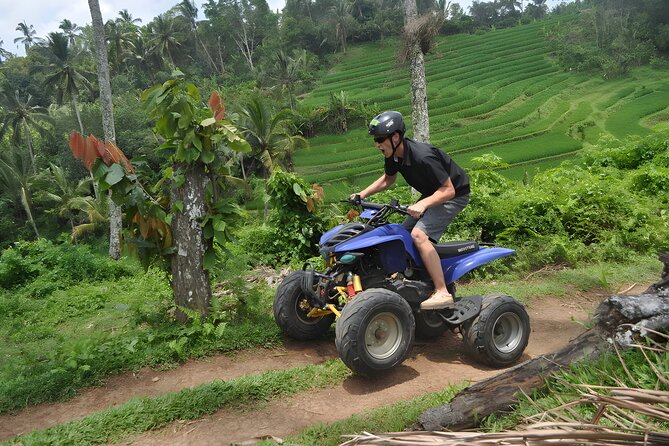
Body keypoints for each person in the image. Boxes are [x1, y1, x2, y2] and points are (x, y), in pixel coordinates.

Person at [353, 111, 470, 310]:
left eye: (380, 139)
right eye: (375, 140)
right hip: (435, 192)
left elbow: (448, 190)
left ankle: (442, 291)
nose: (377, 144)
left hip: (454, 194)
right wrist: (362, 194)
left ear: (395, 137)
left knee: (418, 236)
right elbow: (388, 179)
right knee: (402, 234)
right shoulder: (394, 155)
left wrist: (423, 204)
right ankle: (419, 281)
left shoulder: (423, 156)